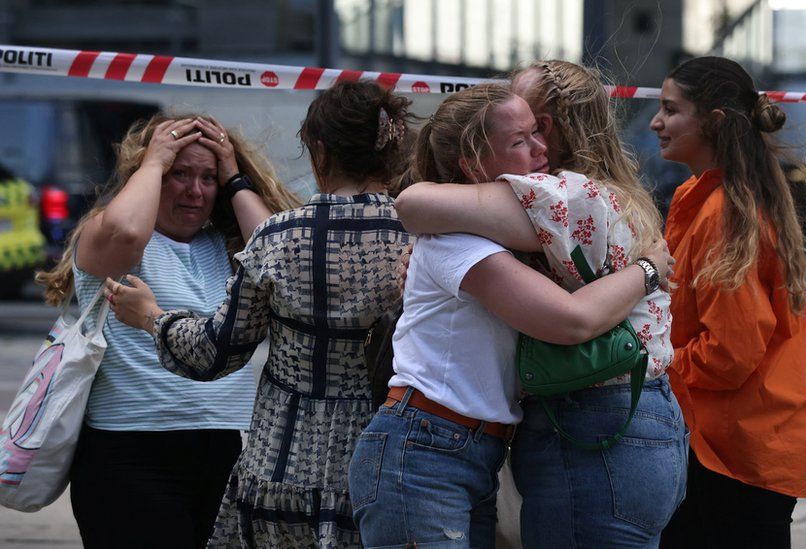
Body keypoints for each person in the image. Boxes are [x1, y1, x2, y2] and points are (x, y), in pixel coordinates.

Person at [350, 82, 676, 548]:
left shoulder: (504, 233)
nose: (540, 149)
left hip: (463, 449)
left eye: (538, 133)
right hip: (425, 447)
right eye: (520, 141)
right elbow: (571, 321)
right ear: (472, 164)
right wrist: (649, 269)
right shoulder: (457, 242)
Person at [109, 80, 415, 548]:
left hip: (280, 468)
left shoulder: (278, 237)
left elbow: (213, 353)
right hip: (386, 463)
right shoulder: (421, 237)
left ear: (319, 152)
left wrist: (152, 316)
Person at [34, 113, 298, 547]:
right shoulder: (112, 235)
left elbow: (281, 260)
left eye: (208, 178)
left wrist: (233, 176)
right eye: (180, 174)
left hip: (223, 454)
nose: (195, 191)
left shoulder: (225, 247)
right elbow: (124, 231)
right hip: (129, 458)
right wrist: (153, 161)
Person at [651, 57, 806, 549]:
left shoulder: (725, 211)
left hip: (732, 451)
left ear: (713, 121)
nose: (656, 122)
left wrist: (652, 363)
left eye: (670, 109)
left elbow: (728, 353)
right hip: (732, 441)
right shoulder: (712, 196)